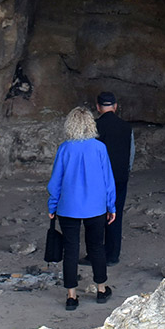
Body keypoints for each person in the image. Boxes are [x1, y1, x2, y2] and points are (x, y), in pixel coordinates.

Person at [47, 106, 116, 311]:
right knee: (96, 247)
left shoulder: (64, 148)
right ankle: (101, 289)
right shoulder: (99, 148)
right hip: (96, 207)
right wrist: (111, 206)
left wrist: (52, 204)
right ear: (90, 125)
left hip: (68, 207)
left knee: (70, 249)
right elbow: (108, 180)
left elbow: (56, 181)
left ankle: (71, 296)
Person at [95, 91, 134, 266]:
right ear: (115, 106)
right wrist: (127, 170)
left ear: (97, 107)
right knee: (115, 214)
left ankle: (95, 253)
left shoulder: (95, 127)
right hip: (119, 176)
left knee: (96, 216)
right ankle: (113, 255)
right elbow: (131, 152)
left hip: (99, 178)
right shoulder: (126, 127)